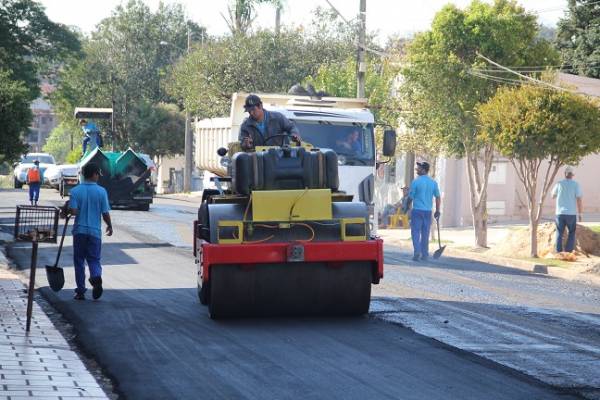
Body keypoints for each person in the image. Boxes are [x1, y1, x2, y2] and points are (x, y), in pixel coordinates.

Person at [69, 163, 113, 300]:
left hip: (79, 232)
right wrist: (109, 225)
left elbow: (74, 211)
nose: (98, 176)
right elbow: (105, 212)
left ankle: (80, 291)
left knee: (79, 261)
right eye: (98, 174)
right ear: (94, 174)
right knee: (94, 259)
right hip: (94, 233)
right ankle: (95, 277)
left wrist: (67, 209)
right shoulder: (102, 191)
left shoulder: (75, 191)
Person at [409, 161, 441, 261]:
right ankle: (425, 253)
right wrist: (438, 210)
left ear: (423, 170)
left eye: (418, 168)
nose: (416, 169)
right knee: (425, 233)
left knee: (415, 232)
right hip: (428, 212)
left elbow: (410, 197)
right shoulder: (433, 182)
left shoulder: (416, 182)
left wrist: (406, 207)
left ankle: (417, 251)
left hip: (417, 211)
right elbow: (438, 197)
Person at [551, 166, 583, 253]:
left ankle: (558, 251)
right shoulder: (576, 184)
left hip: (560, 213)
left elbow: (552, 195)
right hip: (571, 213)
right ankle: (568, 252)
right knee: (571, 232)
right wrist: (580, 214)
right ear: (572, 175)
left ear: (564, 174)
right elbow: (579, 199)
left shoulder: (559, 184)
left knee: (559, 232)